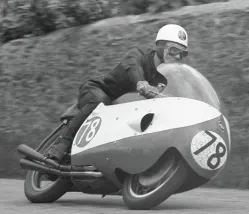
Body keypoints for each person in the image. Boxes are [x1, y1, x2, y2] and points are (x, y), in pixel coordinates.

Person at [47, 24, 189, 162]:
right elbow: (133, 68)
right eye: (174, 50)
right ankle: (60, 145)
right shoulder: (139, 54)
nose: (178, 57)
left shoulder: (165, 78)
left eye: (183, 54)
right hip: (98, 90)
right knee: (100, 102)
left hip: (120, 112)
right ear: (160, 45)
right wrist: (142, 83)